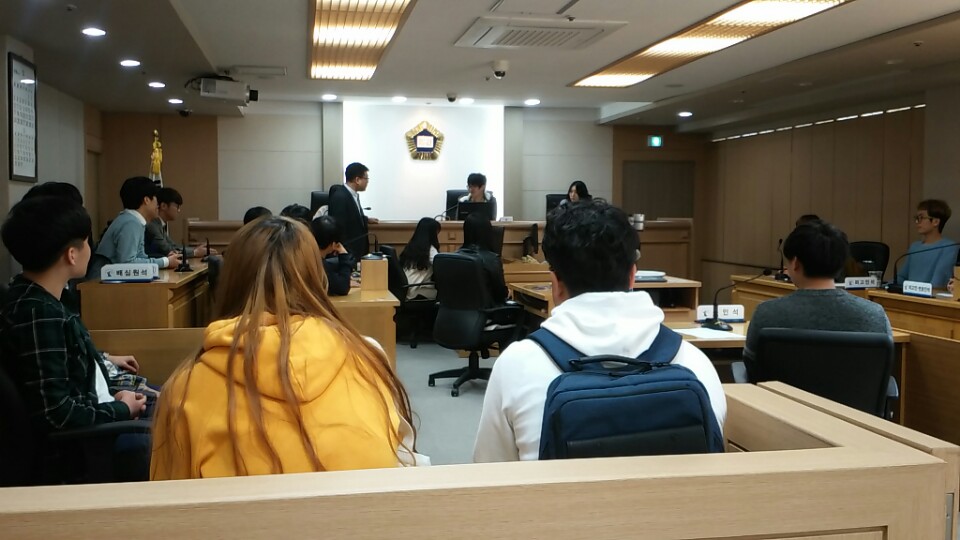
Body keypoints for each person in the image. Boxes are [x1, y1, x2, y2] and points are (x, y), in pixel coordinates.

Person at [151, 217, 424, 479]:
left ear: (229, 281)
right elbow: (401, 457)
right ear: (318, 279)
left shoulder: (182, 391)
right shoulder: (368, 357)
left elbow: (172, 502)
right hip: (364, 511)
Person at [473, 200, 726, 462]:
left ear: (555, 285)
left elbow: (489, 472)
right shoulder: (696, 364)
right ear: (632, 276)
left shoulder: (516, 367)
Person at [0, 196, 151, 480]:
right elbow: (56, 413)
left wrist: (113, 398)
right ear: (72, 254)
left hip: (96, 412)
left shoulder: (34, 297)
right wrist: (121, 409)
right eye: (86, 241)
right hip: (79, 452)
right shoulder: (40, 314)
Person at [744, 220, 892, 379]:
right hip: (852, 396)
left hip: (780, 395)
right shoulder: (875, 315)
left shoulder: (767, 313)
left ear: (795, 263)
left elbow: (751, 366)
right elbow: (883, 370)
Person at [96, 176, 181, 269]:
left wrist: (165, 260)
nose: (158, 204)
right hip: (100, 277)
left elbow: (141, 258)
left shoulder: (134, 220)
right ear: (146, 200)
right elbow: (127, 263)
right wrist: (165, 262)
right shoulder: (130, 223)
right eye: (155, 198)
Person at [897, 199, 958, 288]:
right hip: (909, 293)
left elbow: (938, 282)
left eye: (921, 218)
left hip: (930, 295)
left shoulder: (949, 247)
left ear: (935, 222)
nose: (918, 222)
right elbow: (901, 276)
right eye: (917, 218)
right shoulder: (915, 247)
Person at [144, 187, 215, 259]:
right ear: (163, 206)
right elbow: (167, 250)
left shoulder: (159, 224)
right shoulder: (152, 225)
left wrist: (195, 250)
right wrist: (195, 252)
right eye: (177, 206)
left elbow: (174, 246)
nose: (179, 210)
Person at [329, 162, 379, 257]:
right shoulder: (340, 197)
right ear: (357, 180)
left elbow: (352, 217)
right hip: (348, 252)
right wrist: (346, 254)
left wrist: (366, 219)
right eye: (366, 178)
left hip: (357, 250)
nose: (367, 182)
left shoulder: (353, 195)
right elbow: (339, 228)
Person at [457, 213, 507, 306]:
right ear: (488, 233)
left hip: (454, 312)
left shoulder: (454, 257)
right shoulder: (492, 259)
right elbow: (500, 293)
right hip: (485, 311)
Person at [310, 215, 356, 296]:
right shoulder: (318, 263)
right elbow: (342, 288)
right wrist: (344, 256)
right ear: (334, 244)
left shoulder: (306, 255)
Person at [399, 217, 440, 300]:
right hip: (416, 291)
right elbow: (441, 267)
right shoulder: (430, 250)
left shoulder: (411, 246)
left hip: (405, 290)